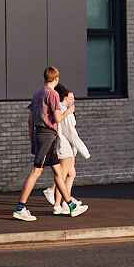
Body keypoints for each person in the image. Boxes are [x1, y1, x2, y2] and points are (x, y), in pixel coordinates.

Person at [11, 65, 65, 221]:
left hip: (40, 134)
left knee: (57, 170)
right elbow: (58, 118)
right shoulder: (53, 94)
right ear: (56, 79)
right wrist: (67, 111)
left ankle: (69, 203)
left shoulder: (37, 94)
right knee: (36, 171)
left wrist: (32, 139)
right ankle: (20, 207)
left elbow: (30, 120)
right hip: (48, 135)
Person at [50, 87, 90, 216]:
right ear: (65, 98)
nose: (74, 100)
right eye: (71, 98)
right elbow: (71, 133)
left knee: (71, 174)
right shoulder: (64, 111)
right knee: (61, 176)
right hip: (65, 147)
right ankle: (58, 205)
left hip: (67, 147)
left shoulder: (64, 110)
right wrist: (84, 151)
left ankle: (64, 203)